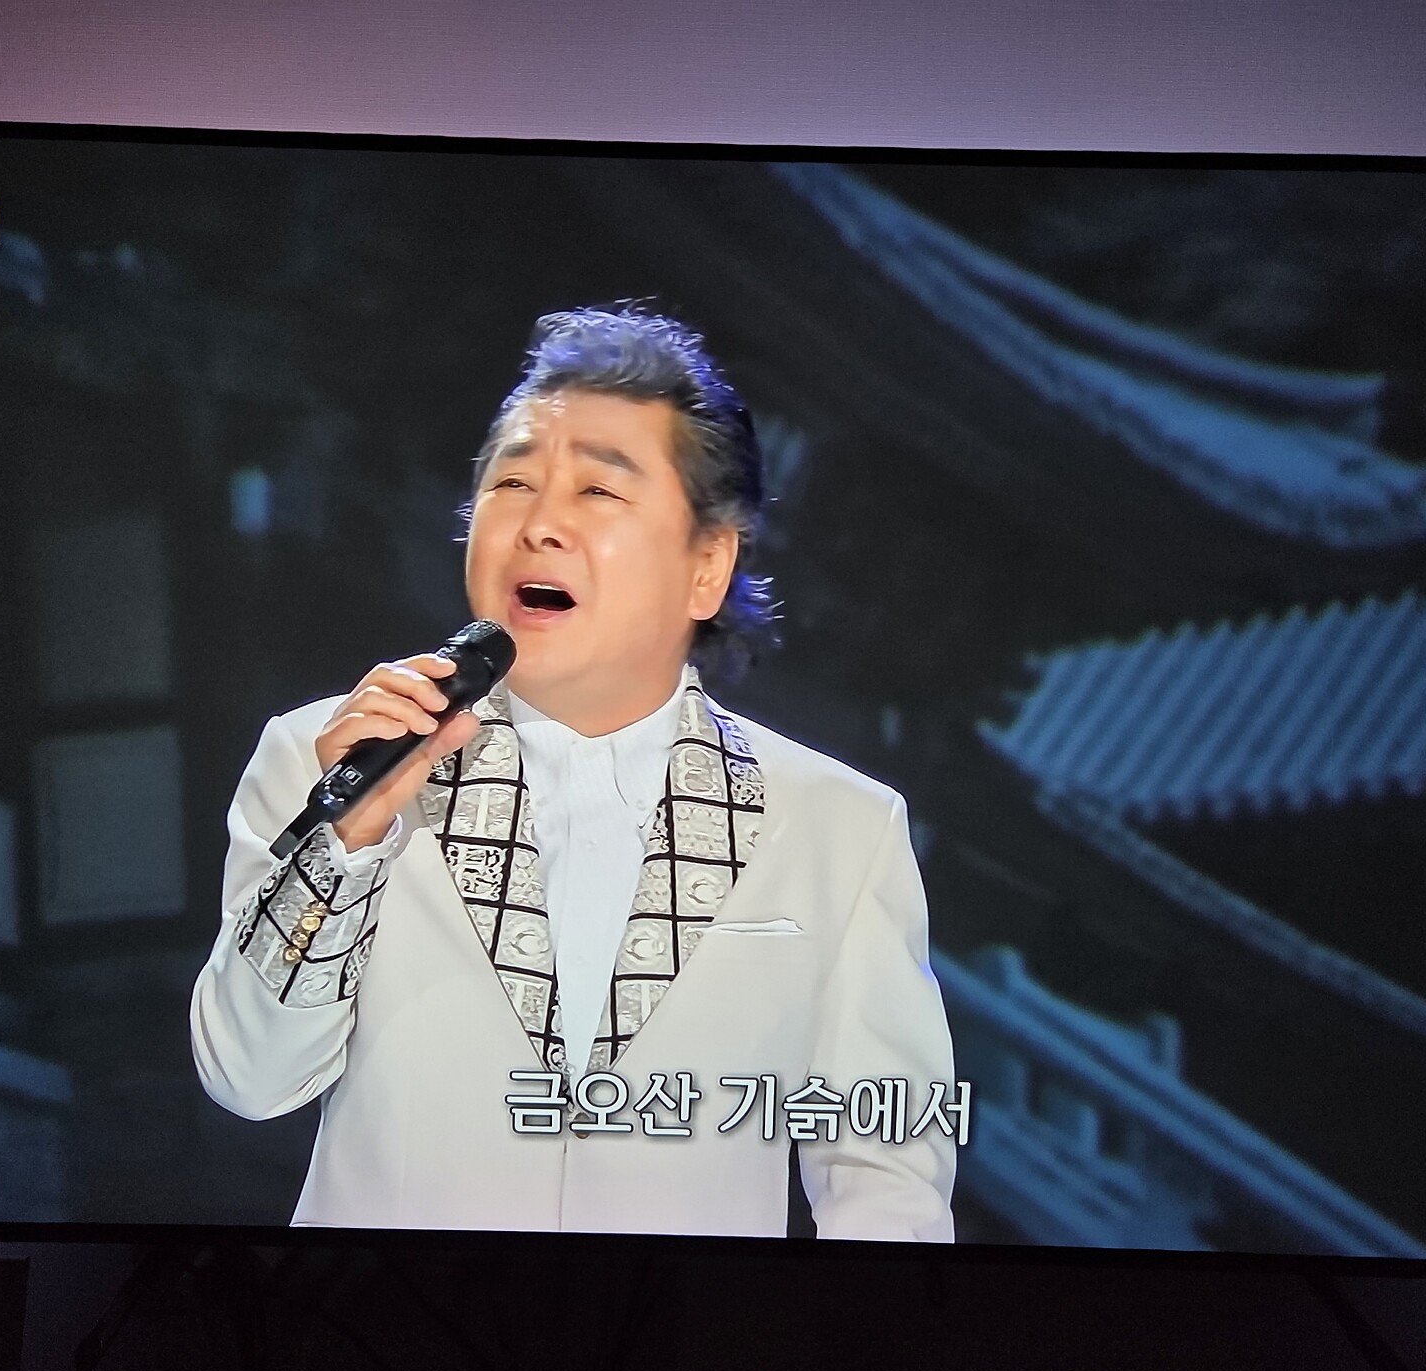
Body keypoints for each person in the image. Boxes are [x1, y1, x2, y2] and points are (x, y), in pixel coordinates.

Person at [190, 305, 959, 1239]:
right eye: (512, 482)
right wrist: (344, 840)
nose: (540, 524)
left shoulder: (840, 826)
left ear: (707, 567)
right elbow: (249, 1077)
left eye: (598, 490)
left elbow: (887, 1171)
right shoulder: (329, 756)